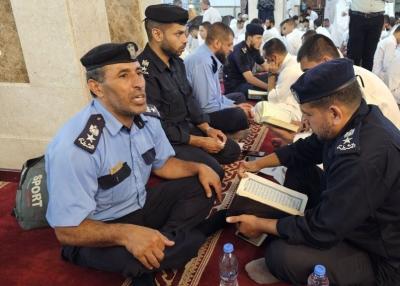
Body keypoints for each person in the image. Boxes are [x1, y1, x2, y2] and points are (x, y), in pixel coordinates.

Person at [45, 42, 224, 285]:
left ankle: (159, 244)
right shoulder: (76, 147)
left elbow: (163, 165)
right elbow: (66, 231)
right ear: (96, 87)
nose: (139, 82)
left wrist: (199, 168)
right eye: (123, 75)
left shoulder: (147, 118)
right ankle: (178, 241)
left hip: (139, 208)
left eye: (139, 72)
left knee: (203, 184)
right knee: (143, 260)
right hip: (97, 227)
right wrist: (126, 234)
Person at [228, 58, 400, 285]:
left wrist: (260, 224)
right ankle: (297, 229)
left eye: (308, 115)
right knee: (298, 170)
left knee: (279, 255)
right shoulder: (358, 116)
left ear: (334, 113)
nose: (303, 121)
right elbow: (305, 151)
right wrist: (256, 165)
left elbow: (324, 228)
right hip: (354, 216)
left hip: (379, 254)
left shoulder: (362, 158)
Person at [137, 4, 241, 179]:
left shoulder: (176, 62)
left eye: (185, 32)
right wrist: (200, 142)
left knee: (232, 150)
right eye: (178, 34)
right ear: (157, 34)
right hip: (168, 141)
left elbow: (190, 99)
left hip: (187, 129)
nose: (185, 39)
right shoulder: (143, 72)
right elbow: (157, 128)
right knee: (216, 172)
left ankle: (200, 157)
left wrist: (207, 129)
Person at [298, 34, 400, 129]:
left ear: (326, 61)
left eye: (308, 72)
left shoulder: (352, 80)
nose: (306, 78)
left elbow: (354, 128)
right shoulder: (336, 79)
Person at [184, 22, 253, 134]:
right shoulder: (203, 62)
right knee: (239, 114)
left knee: (239, 97)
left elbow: (216, 96)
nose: (232, 49)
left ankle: (231, 131)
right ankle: (226, 135)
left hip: (206, 105)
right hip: (198, 116)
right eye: (229, 45)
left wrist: (234, 105)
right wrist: (236, 109)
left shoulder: (210, 57)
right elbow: (206, 106)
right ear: (217, 43)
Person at [254, 38, 303, 121]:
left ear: (274, 58)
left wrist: (271, 74)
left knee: (260, 107)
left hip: (297, 113)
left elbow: (272, 99)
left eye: (267, 59)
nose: (267, 63)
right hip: (296, 106)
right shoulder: (293, 60)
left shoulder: (289, 71)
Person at [223, 23, 269, 97]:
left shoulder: (254, 49)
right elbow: (250, 78)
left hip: (245, 82)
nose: (261, 41)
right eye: (258, 38)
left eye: (261, 38)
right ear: (250, 38)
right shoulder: (240, 51)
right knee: (265, 95)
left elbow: (266, 67)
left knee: (270, 76)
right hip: (236, 87)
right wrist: (269, 87)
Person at [347, 0, 385, 71]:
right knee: (354, 54)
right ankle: (352, 79)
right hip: (357, 16)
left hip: (377, 18)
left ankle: (365, 80)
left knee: (370, 55)